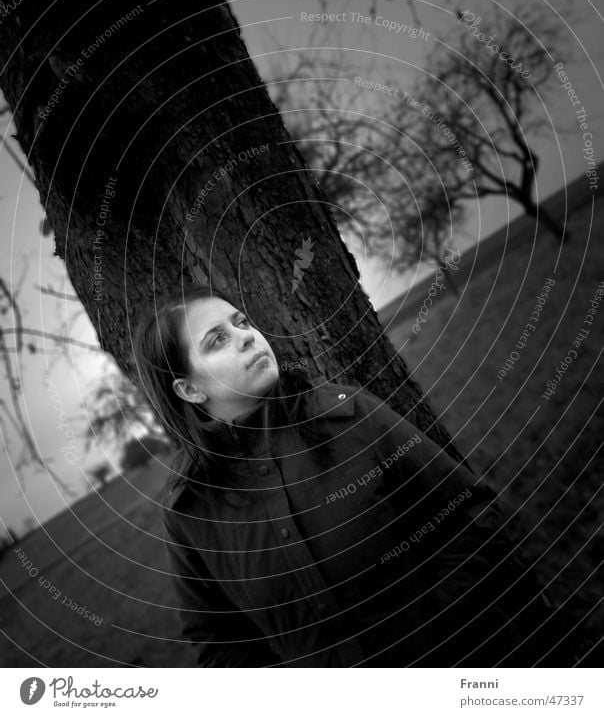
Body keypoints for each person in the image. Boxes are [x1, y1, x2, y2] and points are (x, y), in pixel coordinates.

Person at [133, 284, 591, 668]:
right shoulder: (191, 511)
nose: (246, 337)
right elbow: (221, 647)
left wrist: (432, 638)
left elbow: (470, 516)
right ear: (190, 389)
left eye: (243, 323)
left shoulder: (349, 418)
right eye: (217, 340)